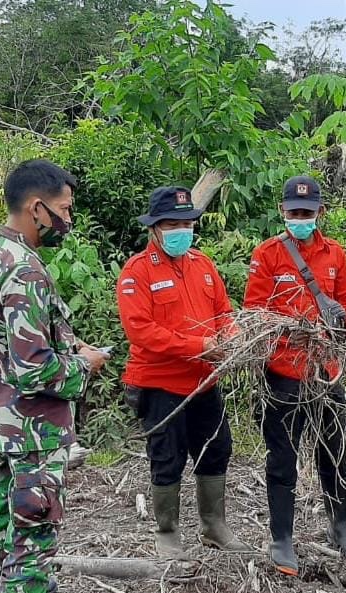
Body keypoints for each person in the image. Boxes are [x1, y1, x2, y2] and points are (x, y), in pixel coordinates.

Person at [0, 159, 110, 593]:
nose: (68, 220)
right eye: (63, 210)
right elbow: (34, 368)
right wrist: (87, 363)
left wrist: (70, 345)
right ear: (35, 207)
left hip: (5, 423)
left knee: (6, 525)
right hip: (33, 428)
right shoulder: (24, 269)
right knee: (33, 539)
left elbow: (3, 342)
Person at [243, 175, 346, 576]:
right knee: (282, 457)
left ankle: (341, 527)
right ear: (283, 212)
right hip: (283, 372)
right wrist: (294, 328)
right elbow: (254, 313)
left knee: (334, 452)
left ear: (320, 213)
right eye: (294, 212)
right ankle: (282, 537)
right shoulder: (267, 255)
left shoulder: (335, 253)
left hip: (327, 370)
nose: (301, 218)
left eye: (308, 213)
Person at [116, 186, 249, 557]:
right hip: (160, 384)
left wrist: (233, 337)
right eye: (171, 223)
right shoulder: (137, 272)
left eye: (187, 223)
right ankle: (167, 532)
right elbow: (141, 331)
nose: (181, 230)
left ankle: (214, 525)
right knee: (167, 456)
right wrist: (200, 346)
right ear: (154, 229)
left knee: (216, 448)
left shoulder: (203, 265)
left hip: (205, 381)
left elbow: (224, 312)